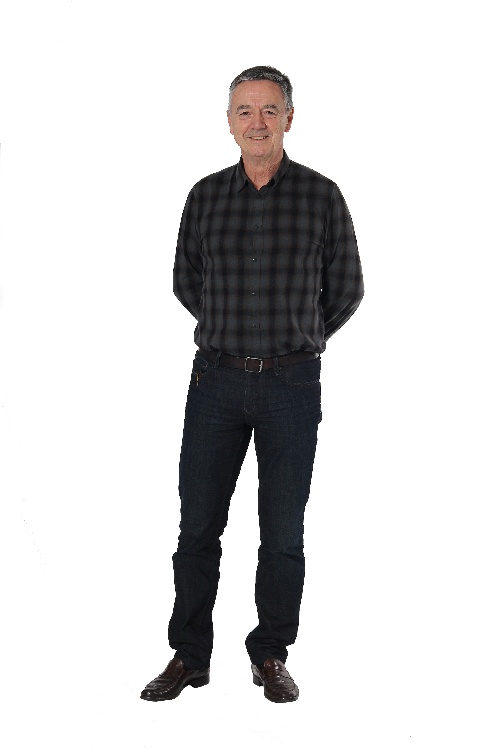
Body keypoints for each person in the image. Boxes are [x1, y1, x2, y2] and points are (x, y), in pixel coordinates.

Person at [141, 65, 364, 704]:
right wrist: (230, 330)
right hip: (215, 383)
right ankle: (189, 656)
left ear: (289, 118)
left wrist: (299, 336)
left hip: (292, 386)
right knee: (197, 528)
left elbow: (347, 287)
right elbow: (187, 281)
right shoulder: (205, 196)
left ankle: (270, 653)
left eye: (269, 110)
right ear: (229, 121)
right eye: (245, 110)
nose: (257, 122)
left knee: (282, 533)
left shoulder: (322, 196)